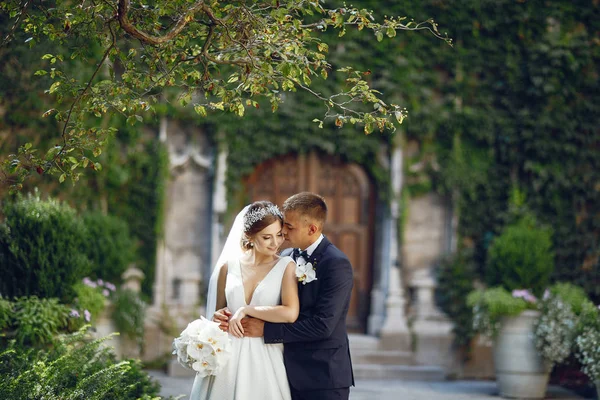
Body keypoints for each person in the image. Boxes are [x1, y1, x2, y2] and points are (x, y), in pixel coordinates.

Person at [214, 192, 355, 400]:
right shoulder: (286, 258)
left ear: (312, 229)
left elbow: (323, 325)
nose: (283, 233)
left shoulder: (336, 264)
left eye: (289, 227)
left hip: (323, 375)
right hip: (283, 369)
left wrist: (266, 329)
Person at [190, 201, 299, 400]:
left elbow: (290, 312)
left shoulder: (286, 266)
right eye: (267, 237)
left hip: (264, 355)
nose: (275, 243)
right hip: (227, 355)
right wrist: (218, 317)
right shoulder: (228, 266)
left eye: (279, 235)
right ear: (249, 236)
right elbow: (218, 313)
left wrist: (247, 310)